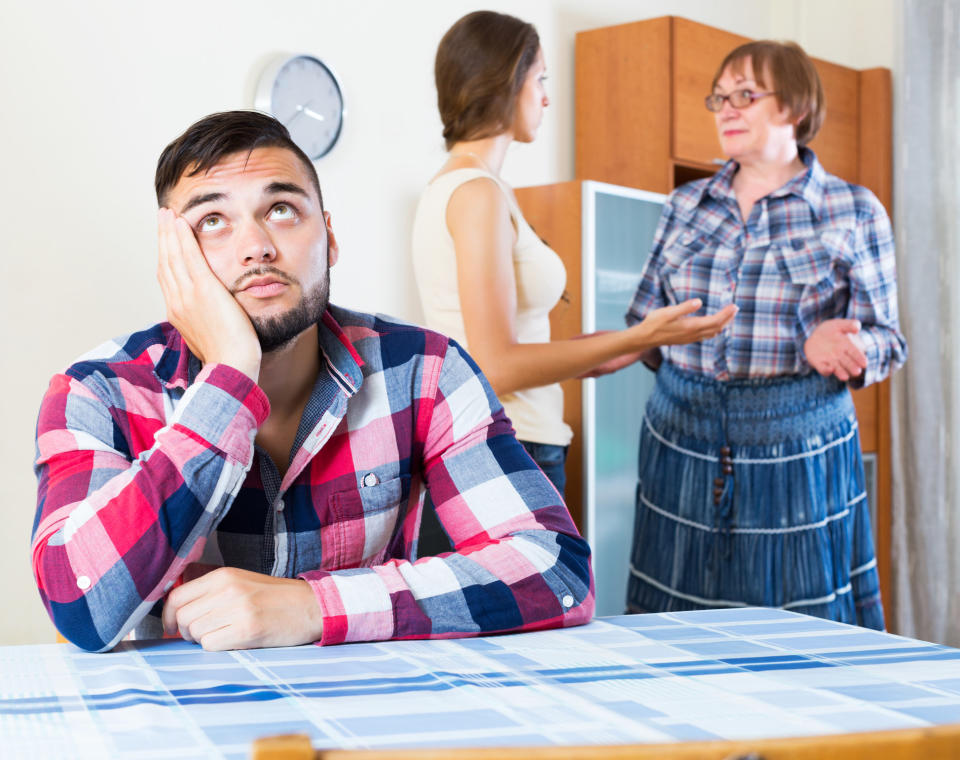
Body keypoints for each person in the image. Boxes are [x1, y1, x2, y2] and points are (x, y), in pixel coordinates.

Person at [31, 110, 595, 653]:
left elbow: (554, 569)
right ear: (172, 260)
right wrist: (230, 374)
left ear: (329, 237)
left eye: (281, 210)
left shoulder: (426, 369)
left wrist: (312, 607)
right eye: (212, 221)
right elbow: (78, 604)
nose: (257, 247)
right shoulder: (96, 393)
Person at [624, 41, 907, 629]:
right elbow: (644, 325)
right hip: (680, 441)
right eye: (719, 97)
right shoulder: (685, 205)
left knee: (797, 633)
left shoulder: (853, 210)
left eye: (745, 96)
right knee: (672, 631)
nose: (726, 109)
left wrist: (844, 349)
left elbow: (888, 340)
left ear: (795, 107)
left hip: (798, 450)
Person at [412, 11, 737, 501]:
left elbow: (503, 346)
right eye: (539, 78)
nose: (545, 96)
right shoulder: (476, 192)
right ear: (506, 80)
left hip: (511, 439)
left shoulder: (478, 187)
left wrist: (600, 352)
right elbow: (495, 364)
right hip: (511, 443)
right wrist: (641, 335)